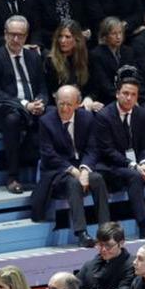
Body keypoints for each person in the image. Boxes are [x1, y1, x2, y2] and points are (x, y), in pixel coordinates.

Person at [92, 70, 145, 239]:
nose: (129, 98)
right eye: (125, 93)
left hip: (137, 162)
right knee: (134, 176)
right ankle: (143, 225)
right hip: (113, 166)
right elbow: (107, 151)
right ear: (117, 94)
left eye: (133, 94)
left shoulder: (141, 113)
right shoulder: (104, 116)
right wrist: (134, 166)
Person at [34, 86, 109, 248]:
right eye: (61, 104)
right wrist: (74, 171)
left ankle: (105, 230)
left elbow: (92, 148)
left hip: (81, 166)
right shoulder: (46, 122)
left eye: (69, 104)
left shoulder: (87, 118)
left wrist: (84, 169)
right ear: (56, 101)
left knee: (97, 178)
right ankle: (81, 233)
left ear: (77, 104)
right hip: (57, 171)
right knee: (73, 183)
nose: (65, 108)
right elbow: (49, 155)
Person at [0, 15, 47, 194]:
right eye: (12, 34)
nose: (16, 39)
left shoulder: (33, 57)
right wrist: (25, 105)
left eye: (20, 35)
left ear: (26, 36)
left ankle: (49, 173)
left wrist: (41, 102)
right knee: (12, 119)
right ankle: (12, 175)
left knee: (57, 114)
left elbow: (42, 87)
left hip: (32, 108)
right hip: (3, 110)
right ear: (5, 34)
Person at [77, 221, 133, 289]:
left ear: (121, 243)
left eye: (108, 245)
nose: (103, 249)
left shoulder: (132, 266)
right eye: (100, 244)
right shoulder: (89, 266)